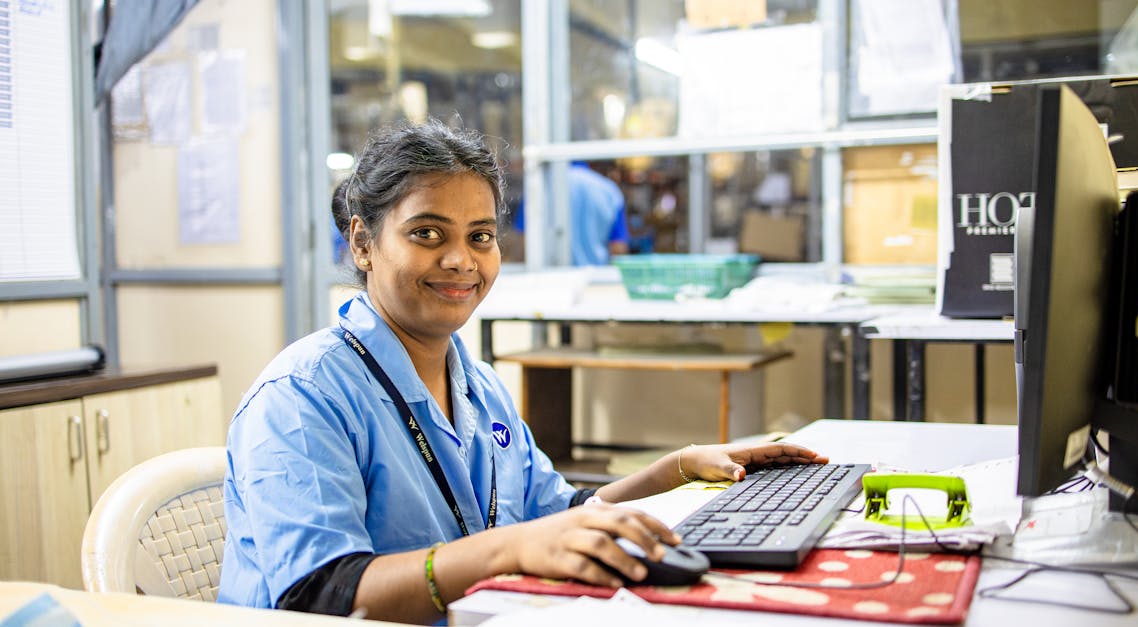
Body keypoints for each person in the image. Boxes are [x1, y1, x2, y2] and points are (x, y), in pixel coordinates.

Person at [218, 120, 829, 624]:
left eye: (480, 236)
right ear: (362, 243)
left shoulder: (476, 385)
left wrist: (678, 467)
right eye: (427, 233)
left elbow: (554, 514)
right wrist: (505, 549)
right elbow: (320, 595)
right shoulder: (302, 397)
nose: (461, 260)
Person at [512, 161, 631, 265]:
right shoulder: (609, 190)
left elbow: (524, 241)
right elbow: (618, 248)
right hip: (596, 280)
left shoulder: (540, 187)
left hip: (549, 279)